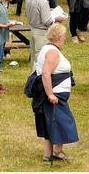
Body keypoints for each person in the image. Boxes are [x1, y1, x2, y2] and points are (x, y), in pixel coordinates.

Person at [33, 23, 79, 161]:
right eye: (64, 36)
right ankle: (56, 152)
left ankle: (50, 153)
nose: (65, 39)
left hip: (56, 93)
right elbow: (46, 73)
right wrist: (50, 94)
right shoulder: (52, 51)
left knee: (52, 123)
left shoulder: (49, 48)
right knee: (62, 122)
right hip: (55, 94)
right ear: (58, 37)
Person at [26, 0, 66, 70]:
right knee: (40, 57)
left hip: (33, 28)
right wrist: (56, 19)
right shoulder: (43, 1)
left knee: (33, 57)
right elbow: (47, 21)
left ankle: (32, 78)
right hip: (41, 31)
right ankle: (37, 80)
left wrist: (48, 11)